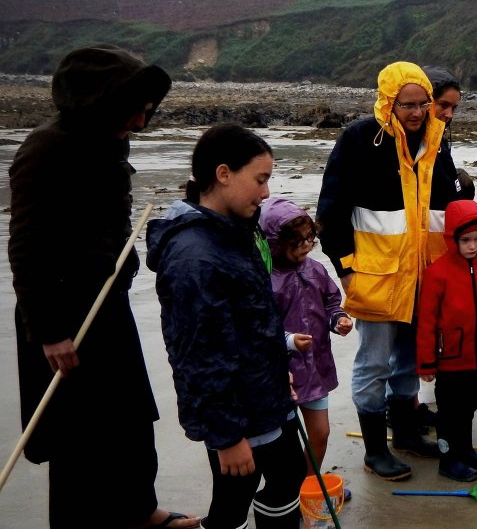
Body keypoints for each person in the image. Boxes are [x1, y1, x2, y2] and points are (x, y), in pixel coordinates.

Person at [8, 44, 199, 529]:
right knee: (77, 440)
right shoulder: (44, 150)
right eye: (135, 110)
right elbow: (26, 249)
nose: (140, 122)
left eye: (147, 111)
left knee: (130, 420)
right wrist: (50, 331)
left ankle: (140, 510)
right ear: (103, 101)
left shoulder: (111, 141)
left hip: (107, 305)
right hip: (63, 318)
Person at [147, 124, 306, 529]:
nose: (266, 192)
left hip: (264, 392)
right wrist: (227, 436)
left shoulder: (237, 228)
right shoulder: (194, 257)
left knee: (288, 474)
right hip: (236, 413)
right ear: (223, 174)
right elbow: (197, 354)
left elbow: (253, 319)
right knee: (236, 495)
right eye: (260, 179)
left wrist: (277, 369)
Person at [316, 61, 465, 480]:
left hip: (426, 275)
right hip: (376, 276)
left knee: (410, 360)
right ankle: (375, 451)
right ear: (388, 103)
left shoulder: (436, 141)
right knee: (374, 364)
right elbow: (331, 210)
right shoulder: (359, 139)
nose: (417, 113)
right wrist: (345, 269)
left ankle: (405, 434)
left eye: (423, 104)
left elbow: (447, 207)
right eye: (407, 105)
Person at [260, 197, 354, 477]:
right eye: (297, 241)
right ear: (275, 243)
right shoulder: (264, 279)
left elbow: (331, 303)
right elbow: (258, 329)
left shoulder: (315, 270)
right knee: (281, 443)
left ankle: (308, 484)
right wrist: (288, 340)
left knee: (320, 433)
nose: (306, 246)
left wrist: (338, 320)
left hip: (315, 369)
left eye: (310, 239)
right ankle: (287, 489)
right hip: (280, 375)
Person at [416, 200, 477, 482]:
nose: (473, 246)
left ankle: (465, 450)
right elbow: (427, 321)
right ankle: (448, 459)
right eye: (466, 240)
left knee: (469, 407)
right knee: (449, 412)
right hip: (450, 359)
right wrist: (426, 363)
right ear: (452, 238)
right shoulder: (437, 273)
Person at [423, 65, 475, 199]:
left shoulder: (441, 144)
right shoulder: (395, 142)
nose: (450, 114)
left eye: (453, 108)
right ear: (423, 101)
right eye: (443, 105)